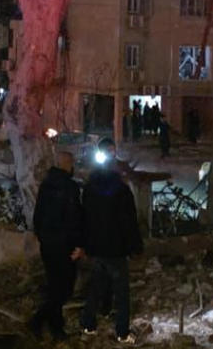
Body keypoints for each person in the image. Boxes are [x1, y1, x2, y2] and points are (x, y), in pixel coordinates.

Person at [79, 139, 141, 343]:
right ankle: (122, 332)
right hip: (115, 249)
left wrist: (86, 244)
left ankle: (88, 325)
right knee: (121, 292)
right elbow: (129, 221)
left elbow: (84, 218)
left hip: (97, 247)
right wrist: (135, 247)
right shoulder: (121, 190)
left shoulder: (89, 189)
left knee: (96, 286)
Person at [28, 150, 84, 340]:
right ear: (66, 165)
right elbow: (74, 219)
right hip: (64, 245)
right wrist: (78, 245)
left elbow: (38, 215)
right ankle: (42, 322)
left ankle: (53, 325)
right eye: (71, 163)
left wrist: (41, 237)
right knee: (64, 288)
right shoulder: (69, 188)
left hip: (49, 244)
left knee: (55, 286)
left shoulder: (46, 185)